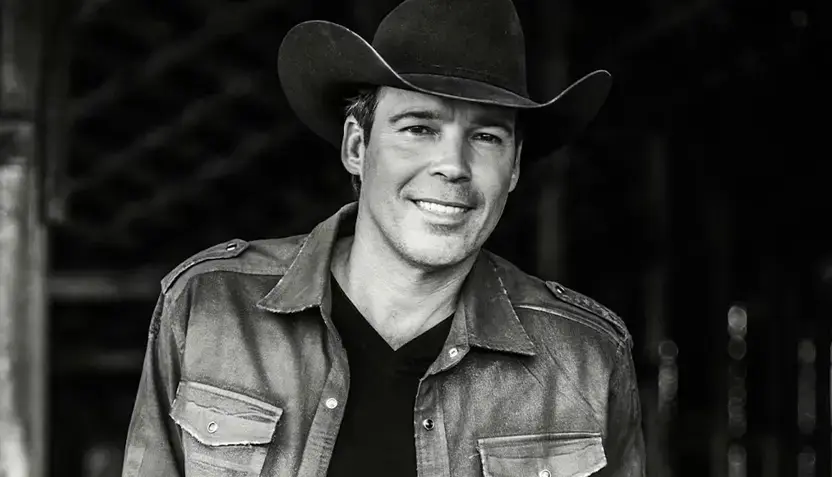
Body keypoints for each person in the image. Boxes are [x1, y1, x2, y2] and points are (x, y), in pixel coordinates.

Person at [122, 0, 645, 475]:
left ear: (514, 167)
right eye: (419, 128)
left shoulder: (587, 358)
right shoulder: (210, 306)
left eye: (486, 136)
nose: (453, 166)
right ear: (357, 147)